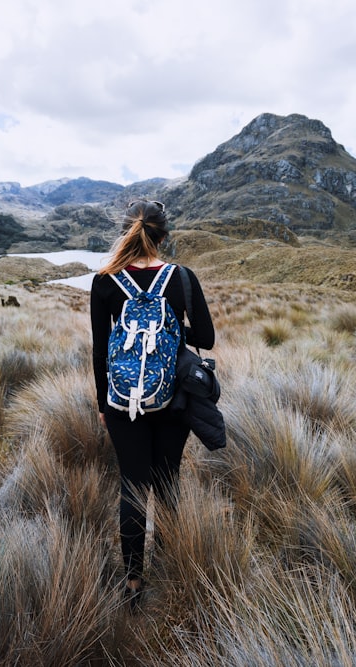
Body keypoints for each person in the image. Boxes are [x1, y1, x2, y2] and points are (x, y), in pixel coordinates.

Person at [90, 199, 215, 610]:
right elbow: (208, 339)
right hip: (173, 400)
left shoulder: (105, 281)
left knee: (133, 485)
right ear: (163, 235)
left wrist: (104, 405)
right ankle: (169, 562)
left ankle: (132, 582)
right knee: (167, 481)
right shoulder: (181, 278)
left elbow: (98, 350)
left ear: (128, 231)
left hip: (122, 402)